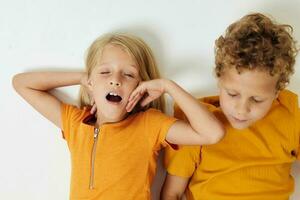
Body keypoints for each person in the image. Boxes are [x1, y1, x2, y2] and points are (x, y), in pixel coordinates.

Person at [12, 33, 224, 199]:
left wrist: (167, 86)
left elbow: (212, 133)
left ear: (141, 86)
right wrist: (83, 78)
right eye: (105, 72)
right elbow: (22, 83)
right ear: (91, 83)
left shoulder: (149, 125)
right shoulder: (75, 123)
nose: (115, 80)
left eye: (129, 74)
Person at [162, 13, 299, 200]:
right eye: (232, 94)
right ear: (219, 80)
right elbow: (172, 192)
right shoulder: (196, 124)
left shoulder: (289, 116)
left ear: (277, 92)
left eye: (257, 100)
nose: (242, 109)